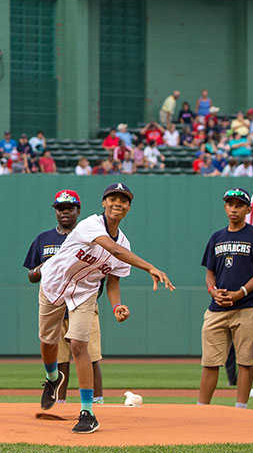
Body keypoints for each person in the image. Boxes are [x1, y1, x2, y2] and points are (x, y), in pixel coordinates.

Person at [36, 183, 174, 434]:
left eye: (123, 200)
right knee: (48, 341)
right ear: (103, 202)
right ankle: (53, 378)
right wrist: (150, 267)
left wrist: (117, 305)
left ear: (129, 207)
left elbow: (113, 281)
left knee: (79, 345)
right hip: (54, 282)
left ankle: (87, 412)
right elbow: (112, 250)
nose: (117, 203)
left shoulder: (125, 243)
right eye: (112, 198)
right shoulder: (91, 224)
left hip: (84, 293)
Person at [197, 188, 253, 408]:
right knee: (210, 361)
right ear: (225, 207)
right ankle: (202, 408)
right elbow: (209, 273)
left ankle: (241, 409)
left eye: (239, 205)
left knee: (245, 360)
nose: (234, 208)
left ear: (248, 209)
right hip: (217, 306)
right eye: (230, 204)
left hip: (247, 306)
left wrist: (241, 292)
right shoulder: (217, 237)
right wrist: (213, 291)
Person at [26, 191, 100, 409]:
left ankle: (96, 403)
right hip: (54, 302)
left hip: (81, 304)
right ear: (55, 211)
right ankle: (60, 398)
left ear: (78, 210)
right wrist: (41, 268)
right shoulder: (43, 239)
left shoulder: (90, 236)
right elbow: (31, 275)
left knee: (90, 355)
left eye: (70, 208)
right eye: (60, 208)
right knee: (57, 355)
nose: (65, 212)